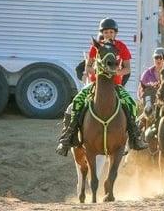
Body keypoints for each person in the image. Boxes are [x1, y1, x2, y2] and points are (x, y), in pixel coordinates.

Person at [56, 18, 148, 156]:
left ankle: (134, 138)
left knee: (131, 104)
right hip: (95, 84)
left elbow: (127, 68)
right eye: (106, 32)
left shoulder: (121, 47)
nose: (109, 34)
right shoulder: (96, 47)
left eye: (111, 32)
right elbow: (88, 65)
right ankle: (67, 138)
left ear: (115, 33)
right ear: (102, 33)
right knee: (74, 104)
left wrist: (116, 72)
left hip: (115, 84)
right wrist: (91, 70)